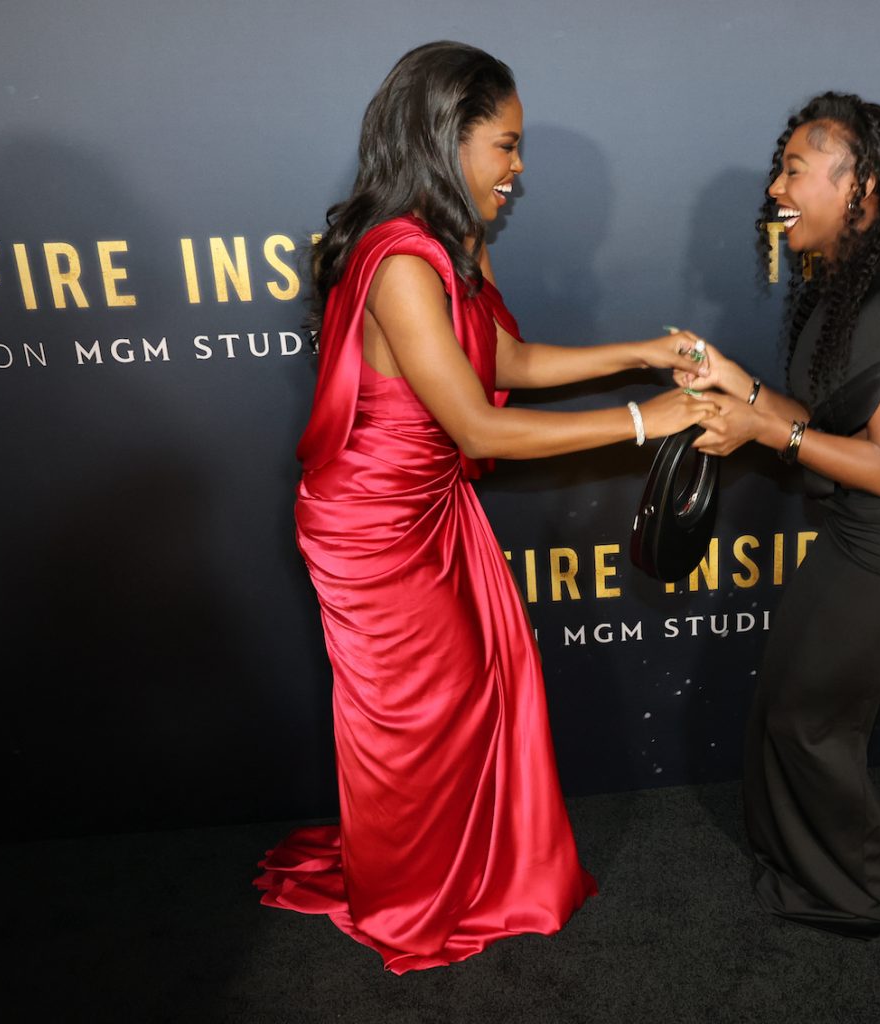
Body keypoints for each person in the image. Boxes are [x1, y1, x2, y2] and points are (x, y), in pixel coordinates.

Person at [253, 41, 711, 972]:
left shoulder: (457, 244)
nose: (518, 166)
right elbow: (481, 427)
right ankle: (413, 896)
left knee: (478, 692)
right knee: (423, 712)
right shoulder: (398, 262)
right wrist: (641, 418)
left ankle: (461, 877)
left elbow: (505, 363)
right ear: (445, 139)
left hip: (429, 506)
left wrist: (642, 353)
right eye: (505, 144)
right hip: (370, 527)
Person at [684, 93, 880, 936]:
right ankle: (830, 873)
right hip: (860, 533)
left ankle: (871, 888)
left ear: (865, 187)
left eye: (794, 169)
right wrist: (735, 385)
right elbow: (811, 416)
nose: (776, 186)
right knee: (794, 706)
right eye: (782, 166)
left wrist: (760, 430)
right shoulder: (840, 289)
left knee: (810, 720)